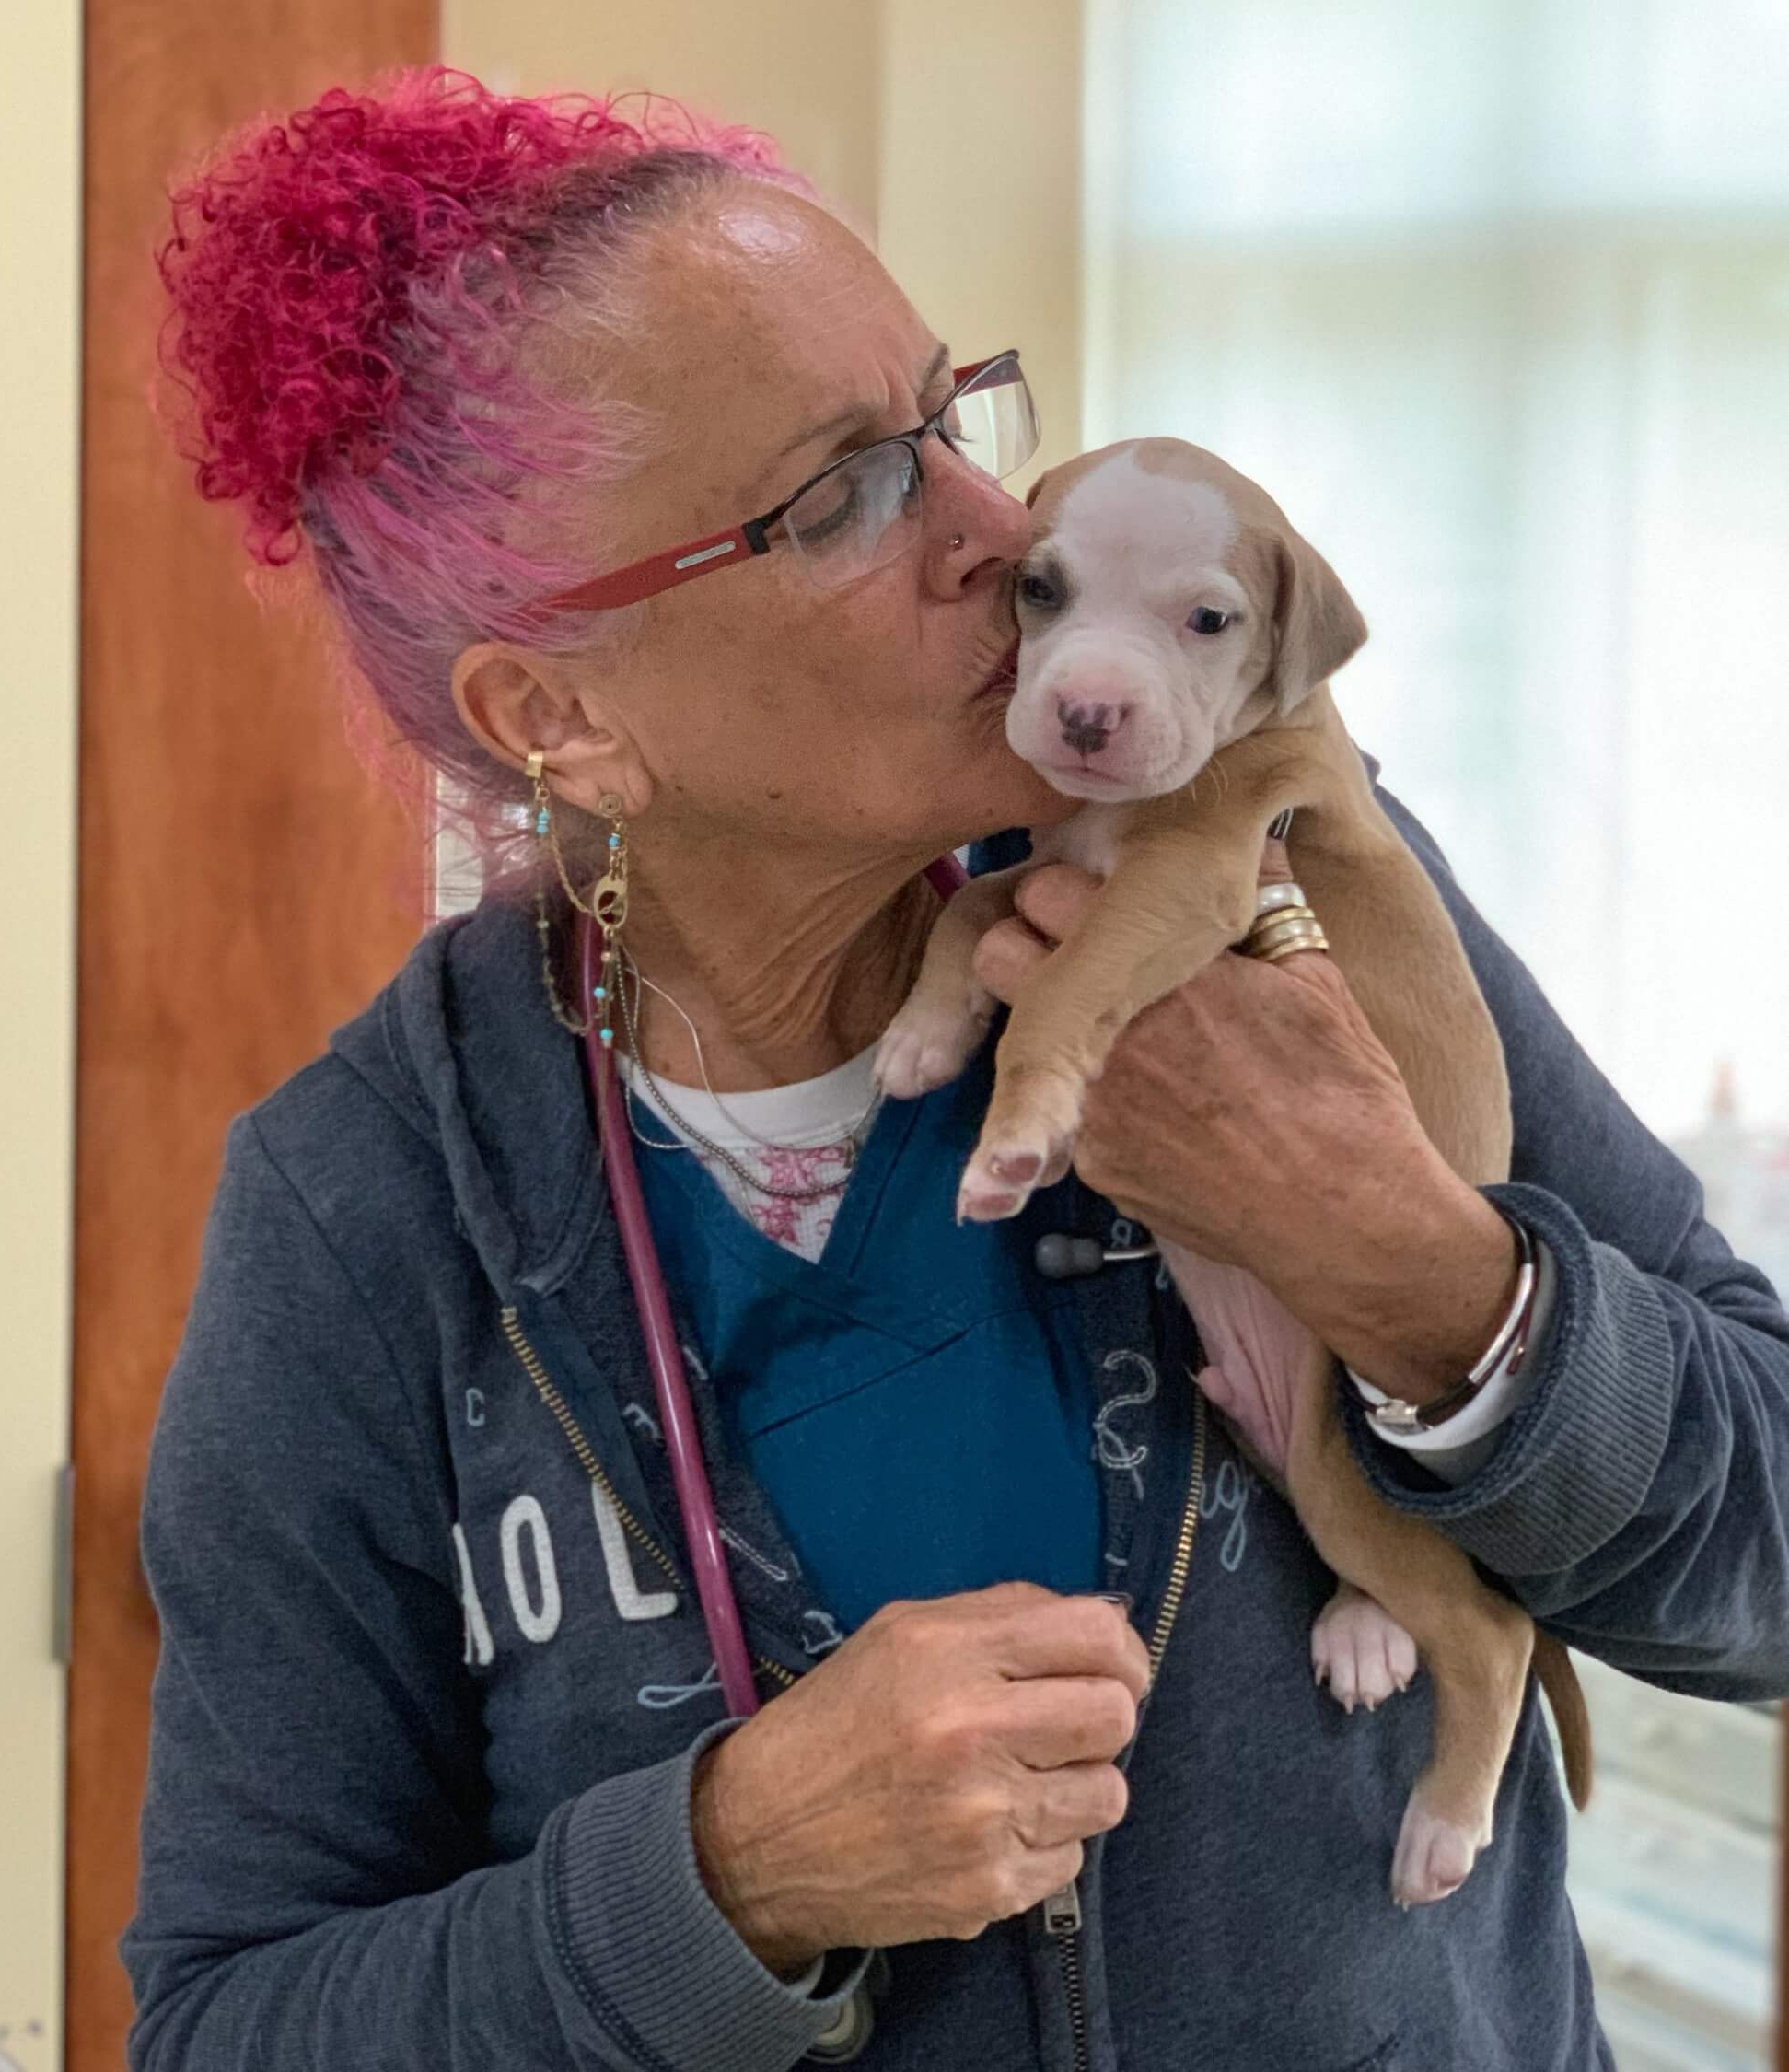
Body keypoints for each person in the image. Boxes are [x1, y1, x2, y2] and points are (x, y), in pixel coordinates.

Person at [121, 67, 1789, 2072]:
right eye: (847, 492)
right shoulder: (371, 1210)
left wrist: (1424, 1269)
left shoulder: (1281, 880)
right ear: (560, 719)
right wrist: (724, 1877)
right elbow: (234, 2023)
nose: (1005, 528)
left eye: (947, 415)